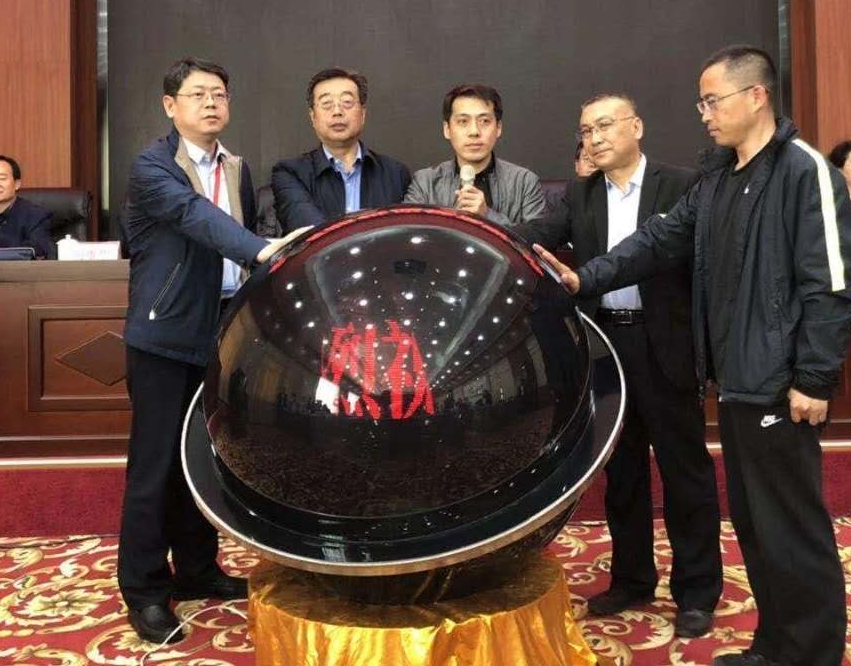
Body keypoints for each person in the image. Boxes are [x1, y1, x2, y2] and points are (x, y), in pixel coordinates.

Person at [534, 47, 851, 666]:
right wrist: (585, 279)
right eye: (701, 103)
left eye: (712, 101)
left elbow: (834, 285)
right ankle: (776, 648)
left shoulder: (802, 169)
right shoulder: (718, 177)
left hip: (781, 381)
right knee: (757, 524)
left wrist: (816, 377)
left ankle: (811, 653)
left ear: (756, 96)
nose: (704, 114)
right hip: (735, 378)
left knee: (791, 524)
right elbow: (657, 240)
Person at [515, 93, 722, 639]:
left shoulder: (681, 185)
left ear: (637, 126)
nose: (595, 137)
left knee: (685, 473)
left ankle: (696, 591)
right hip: (606, 347)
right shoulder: (579, 194)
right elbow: (532, 238)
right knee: (622, 473)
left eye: (605, 125)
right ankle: (632, 579)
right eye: (586, 130)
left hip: (666, 346)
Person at [118, 57, 307, 646]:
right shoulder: (153, 165)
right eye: (198, 94)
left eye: (219, 94)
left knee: (202, 462)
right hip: (164, 334)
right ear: (169, 106)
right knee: (155, 468)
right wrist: (262, 249)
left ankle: (198, 569)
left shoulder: (237, 167)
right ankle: (145, 590)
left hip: (220, 334)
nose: (210, 103)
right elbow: (193, 216)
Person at [271, 67, 411, 230]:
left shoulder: (396, 174)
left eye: (347, 102)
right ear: (313, 116)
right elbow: (310, 232)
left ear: (363, 113)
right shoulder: (290, 173)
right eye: (326, 104)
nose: (337, 111)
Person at [404, 84, 546, 226]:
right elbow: (409, 234)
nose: (474, 132)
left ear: (498, 128)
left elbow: (537, 238)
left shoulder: (525, 182)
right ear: (447, 129)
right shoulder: (425, 183)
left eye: (484, 121)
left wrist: (487, 215)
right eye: (463, 121)